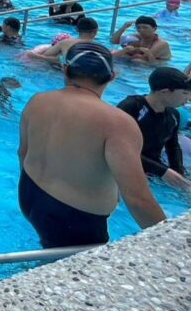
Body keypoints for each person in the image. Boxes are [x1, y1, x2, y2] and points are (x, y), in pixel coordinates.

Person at [18, 42, 166, 248]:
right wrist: (169, 241)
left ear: (65, 69)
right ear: (113, 76)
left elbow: (23, 153)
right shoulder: (117, 123)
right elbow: (137, 198)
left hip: (29, 196)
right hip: (74, 219)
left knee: (49, 250)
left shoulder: (37, 100)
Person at [114, 67, 191, 191]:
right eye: (185, 93)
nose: (188, 99)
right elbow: (117, 149)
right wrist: (163, 171)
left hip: (153, 169)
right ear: (165, 92)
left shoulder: (173, 115)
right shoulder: (132, 107)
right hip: (125, 167)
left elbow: (173, 147)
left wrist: (179, 174)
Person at [30, 17, 99, 64]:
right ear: (96, 31)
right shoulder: (101, 48)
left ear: (77, 29)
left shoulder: (65, 43)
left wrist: (33, 55)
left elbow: (45, 56)